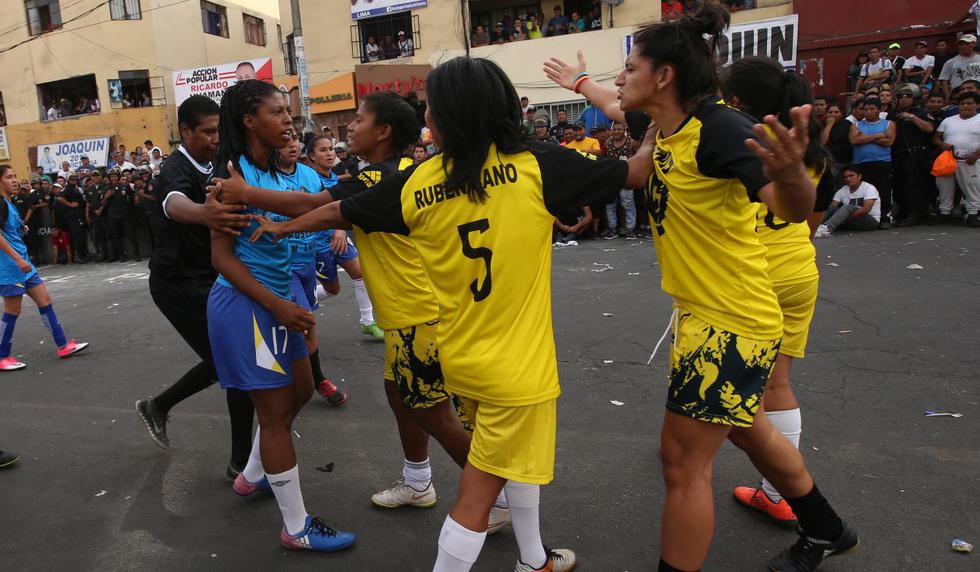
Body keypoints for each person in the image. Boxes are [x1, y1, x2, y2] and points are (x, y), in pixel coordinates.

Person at [244, 56, 655, 572]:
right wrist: (654, 126)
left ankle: (534, 559)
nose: (427, 119)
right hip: (518, 367)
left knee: (512, 463)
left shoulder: (417, 182)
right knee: (479, 496)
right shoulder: (537, 163)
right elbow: (637, 173)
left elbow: (342, 210)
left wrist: (284, 228)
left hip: (460, 357)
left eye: (433, 109)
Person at [608, 6, 857, 571]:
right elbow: (611, 106)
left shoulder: (721, 129)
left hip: (730, 322)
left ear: (665, 75)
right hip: (709, 315)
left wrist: (793, 172)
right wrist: (578, 84)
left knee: (681, 464)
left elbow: (790, 208)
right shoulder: (665, 127)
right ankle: (826, 527)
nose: (619, 80)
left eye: (629, 68)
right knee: (745, 431)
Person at [206, 80, 355, 553]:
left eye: (287, 111)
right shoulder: (231, 176)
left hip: (279, 301)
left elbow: (314, 205)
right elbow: (222, 258)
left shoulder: (277, 172)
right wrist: (277, 305)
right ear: (250, 121)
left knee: (303, 390)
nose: (288, 120)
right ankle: (296, 528)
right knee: (273, 417)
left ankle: (252, 476)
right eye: (277, 112)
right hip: (247, 305)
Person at [721, 56, 839, 527]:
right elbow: (808, 222)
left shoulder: (738, 149)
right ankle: (776, 494)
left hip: (749, 279)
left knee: (720, 388)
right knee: (779, 383)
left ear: (735, 103)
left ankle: (690, 445)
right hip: (798, 272)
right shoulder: (811, 154)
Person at [133, 95, 256, 481]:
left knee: (234, 364)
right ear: (185, 131)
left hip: (212, 277)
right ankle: (241, 463)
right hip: (176, 283)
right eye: (207, 132)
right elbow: (173, 204)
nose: (215, 138)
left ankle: (159, 406)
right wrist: (205, 213)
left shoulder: (218, 163)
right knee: (236, 367)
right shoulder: (174, 168)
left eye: (219, 130)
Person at [0, 164, 88, 371]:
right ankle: (2, 355)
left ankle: (63, 345)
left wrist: (22, 227)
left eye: (15, 176)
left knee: (45, 300)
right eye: (8, 177)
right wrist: (18, 260)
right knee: (13, 309)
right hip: (11, 267)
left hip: (23, 265)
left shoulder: (8, 203)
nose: (14, 180)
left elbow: (9, 229)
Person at [889, 85, 939, 226]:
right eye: (900, 96)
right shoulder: (893, 113)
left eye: (908, 96)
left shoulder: (921, 112)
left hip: (916, 153)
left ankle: (916, 213)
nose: (903, 99)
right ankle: (903, 213)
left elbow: (929, 128)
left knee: (914, 184)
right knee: (899, 184)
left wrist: (911, 117)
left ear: (914, 97)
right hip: (897, 152)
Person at [934, 91, 980, 226]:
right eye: (962, 103)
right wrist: (942, 144)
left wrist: (976, 154)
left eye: (969, 103)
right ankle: (944, 213)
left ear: (977, 105)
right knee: (944, 188)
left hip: (971, 160)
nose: (965, 106)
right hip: (949, 159)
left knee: (972, 187)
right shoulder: (948, 120)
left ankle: (973, 213)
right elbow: (936, 137)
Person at [849, 97, 895, 227]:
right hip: (861, 163)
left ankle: (885, 218)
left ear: (879, 110)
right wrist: (876, 136)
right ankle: (867, 218)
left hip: (882, 162)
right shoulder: (856, 124)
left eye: (872, 109)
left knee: (884, 190)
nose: (868, 112)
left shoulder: (888, 124)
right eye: (865, 109)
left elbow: (889, 142)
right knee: (864, 191)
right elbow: (854, 141)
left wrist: (864, 138)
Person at [815, 166, 882, 236]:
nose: (848, 179)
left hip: (870, 222)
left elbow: (866, 209)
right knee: (831, 208)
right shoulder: (843, 190)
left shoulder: (869, 188)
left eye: (851, 175)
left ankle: (826, 229)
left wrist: (844, 218)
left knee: (847, 207)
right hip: (850, 222)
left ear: (859, 176)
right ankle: (812, 226)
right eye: (845, 177)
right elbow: (832, 207)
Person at [602, 122, 638, 239]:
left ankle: (630, 229)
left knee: (628, 204)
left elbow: (638, 157)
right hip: (612, 179)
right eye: (614, 129)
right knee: (610, 204)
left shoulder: (631, 142)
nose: (616, 132)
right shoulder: (608, 142)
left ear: (624, 130)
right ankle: (612, 229)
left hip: (626, 178)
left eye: (619, 129)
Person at [102, 168, 140, 261]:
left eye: (115, 176)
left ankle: (136, 254)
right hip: (113, 216)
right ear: (109, 178)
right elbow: (103, 204)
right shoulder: (106, 188)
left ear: (118, 177)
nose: (113, 178)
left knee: (131, 234)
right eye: (111, 176)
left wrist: (136, 196)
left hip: (125, 214)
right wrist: (106, 197)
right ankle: (121, 255)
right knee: (116, 236)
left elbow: (132, 197)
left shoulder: (124, 186)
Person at [54, 172, 88, 263]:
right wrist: (70, 205)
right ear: (69, 180)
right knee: (77, 236)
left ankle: (82, 255)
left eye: (76, 179)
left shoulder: (76, 188)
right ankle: (78, 256)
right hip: (72, 216)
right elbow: (59, 198)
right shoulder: (67, 189)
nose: (74, 181)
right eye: (72, 179)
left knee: (80, 236)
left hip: (78, 214)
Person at [937, 34, 980, 99]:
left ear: (974, 44)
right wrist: (947, 96)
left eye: (966, 44)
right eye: (961, 44)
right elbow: (944, 80)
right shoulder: (950, 62)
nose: (963, 46)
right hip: (959, 95)